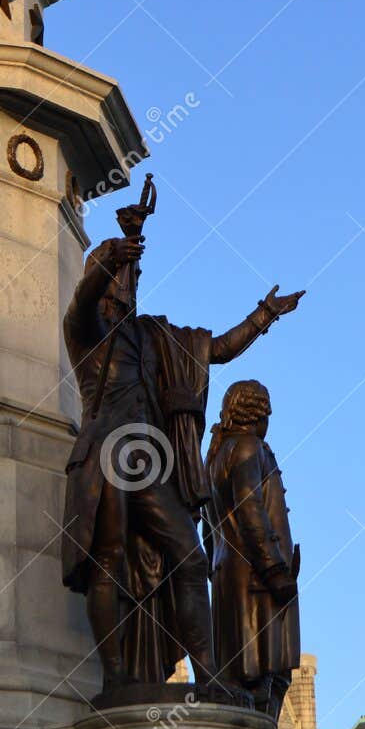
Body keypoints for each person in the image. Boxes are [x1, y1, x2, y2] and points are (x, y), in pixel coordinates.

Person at [61, 215, 304, 700]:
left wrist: (264, 315)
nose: (130, 287)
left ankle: (209, 675)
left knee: (190, 559)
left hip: (150, 459)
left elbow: (214, 350)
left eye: (133, 278)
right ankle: (115, 679)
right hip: (107, 454)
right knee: (108, 560)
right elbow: (82, 301)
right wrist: (113, 255)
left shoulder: (156, 337)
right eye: (122, 279)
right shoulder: (86, 332)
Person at [203, 379, 299, 723]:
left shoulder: (216, 455)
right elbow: (250, 510)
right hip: (256, 580)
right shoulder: (246, 448)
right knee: (265, 675)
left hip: (230, 576)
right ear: (259, 412)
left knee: (245, 675)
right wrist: (275, 571)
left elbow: (207, 530)